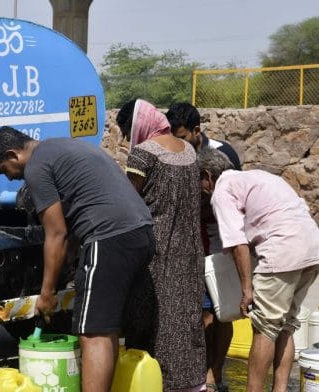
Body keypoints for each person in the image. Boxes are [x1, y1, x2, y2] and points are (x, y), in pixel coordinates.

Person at [0, 126, 155, 392]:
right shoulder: (66, 146)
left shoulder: (36, 167)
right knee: (109, 326)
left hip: (108, 238)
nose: (12, 178)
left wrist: (47, 292)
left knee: (93, 332)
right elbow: (75, 222)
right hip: (141, 232)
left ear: (13, 154)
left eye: (6, 170)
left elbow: (57, 233)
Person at [198, 147, 319, 392]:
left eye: (198, 180)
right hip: (312, 250)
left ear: (208, 175)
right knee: (286, 325)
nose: (199, 188)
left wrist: (246, 289)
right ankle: (280, 389)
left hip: (282, 253)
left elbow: (238, 245)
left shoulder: (222, 191)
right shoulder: (259, 176)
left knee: (264, 328)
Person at [116, 99, 206, 391]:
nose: (129, 140)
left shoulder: (144, 155)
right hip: (191, 254)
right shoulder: (190, 150)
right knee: (185, 321)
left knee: (153, 320)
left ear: (137, 125)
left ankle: (153, 381)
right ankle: (191, 383)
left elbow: (129, 205)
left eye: (127, 132)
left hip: (157, 254)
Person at [167, 102, 241, 392]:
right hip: (191, 245)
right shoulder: (173, 154)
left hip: (222, 244)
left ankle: (217, 373)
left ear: (197, 131)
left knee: (224, 312)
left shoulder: (225, 153)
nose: (179, 143)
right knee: (202, 313)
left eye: (183, 136)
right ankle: (202, 373)